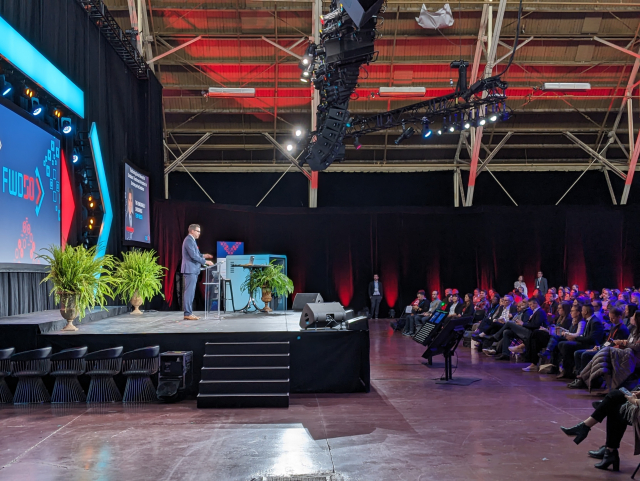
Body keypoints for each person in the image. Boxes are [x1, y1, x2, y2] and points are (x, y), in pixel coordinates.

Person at [567, 307, 629, 389]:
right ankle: (579, 377)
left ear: (619, 317)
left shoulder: (622, 329)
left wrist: (601, 349)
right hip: (605, 348)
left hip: (611, 352)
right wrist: (600, 346)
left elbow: (616, 344)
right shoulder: (614, 326)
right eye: (610, 317)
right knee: (578, 353)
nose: (611, 320)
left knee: (585, 355)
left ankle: (586, 380)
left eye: (613, 318)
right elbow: (609, 341)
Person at [555, 304, 605, 379]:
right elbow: (584, 335)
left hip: (590, 345)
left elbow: (591, 339)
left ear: (586, 312)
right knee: (561, 344)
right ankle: (566, 370)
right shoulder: (589, 320)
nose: (581, 312)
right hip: (584, 342)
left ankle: (569, 372)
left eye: (582, 311)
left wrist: (575, 338)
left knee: (566, 346)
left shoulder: (595, 322)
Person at [181, 224, 213, 320]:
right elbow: (193, 256)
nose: (199, 233)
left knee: (191, 293)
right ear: (192, 231)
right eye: (198, 231)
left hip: (193, 270)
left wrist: (204, 255)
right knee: (189, 293)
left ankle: (189, 313)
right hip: (190, 270)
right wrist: (206, 261)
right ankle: (187, 313)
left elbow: (197, 254)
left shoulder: (192, 241)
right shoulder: (188, 240)